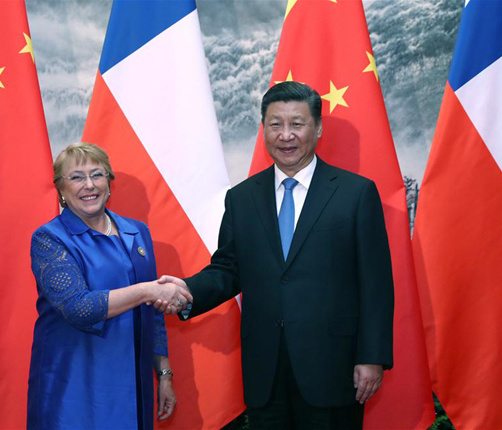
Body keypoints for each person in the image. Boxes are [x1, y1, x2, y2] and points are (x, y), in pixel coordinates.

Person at [162, 82, 394, 429]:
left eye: (297, 124)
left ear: (317, 128)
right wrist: (186, 290)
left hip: (334, 367)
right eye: (275, 124)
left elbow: (376, 284)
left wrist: (372, 357)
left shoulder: (355, 193)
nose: (286, 135)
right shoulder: (241, 198)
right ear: (264, 129)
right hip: (265, 371)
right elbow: (228, 269)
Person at [27, 142, 192, 430]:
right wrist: (149, 290)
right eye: (76, 177)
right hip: (75, 387)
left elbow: (153, 315)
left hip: (133, 383)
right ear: (61, 190)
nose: (89, 185)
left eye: (97, 175)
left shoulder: (137, 232)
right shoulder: (49, 239)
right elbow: (79, 308)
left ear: (109, 182)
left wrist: (163, 373)